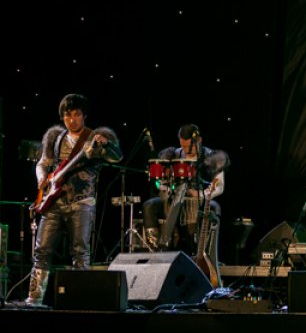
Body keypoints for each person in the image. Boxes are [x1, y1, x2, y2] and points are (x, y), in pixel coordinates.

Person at [25, 93, 122, 306]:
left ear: (84, 115)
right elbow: (43, 163)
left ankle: (81, 299)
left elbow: (117, 157)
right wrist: (42, 180)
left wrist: (106, 144)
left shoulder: (94, 137)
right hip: (54, 202)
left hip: (82, 201)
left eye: (77, 114)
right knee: (42, 251)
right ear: (63, 117)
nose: (72, 119)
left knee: (80, 252)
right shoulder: (55, 137)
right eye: (68, 115)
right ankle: (34, 299)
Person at [142, 124, 230, 273]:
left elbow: (219, 186)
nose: (186, 150)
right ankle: (157, 250)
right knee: (149, 205)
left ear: (199, 140)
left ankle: (207, 257)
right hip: (173, 199)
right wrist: (166, 188)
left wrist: (200, 194)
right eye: (183, 146)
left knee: (215, 208)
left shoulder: (211, 157)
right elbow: (159, 182)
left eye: (189, 147)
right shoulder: (173, 155)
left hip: (199, 199)